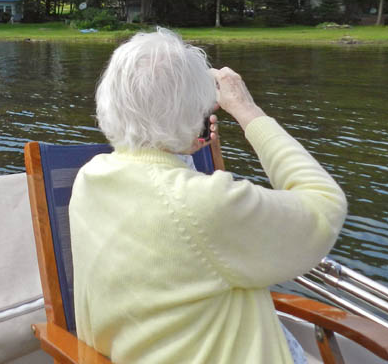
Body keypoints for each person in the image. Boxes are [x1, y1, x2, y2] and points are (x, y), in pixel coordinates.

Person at [70, 28, 347, 364]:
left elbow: (171, 216)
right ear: (194, 116)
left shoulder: (89, 178)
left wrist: (184, 140)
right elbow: (325, 205)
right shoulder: (205, 205)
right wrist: (246, 110)